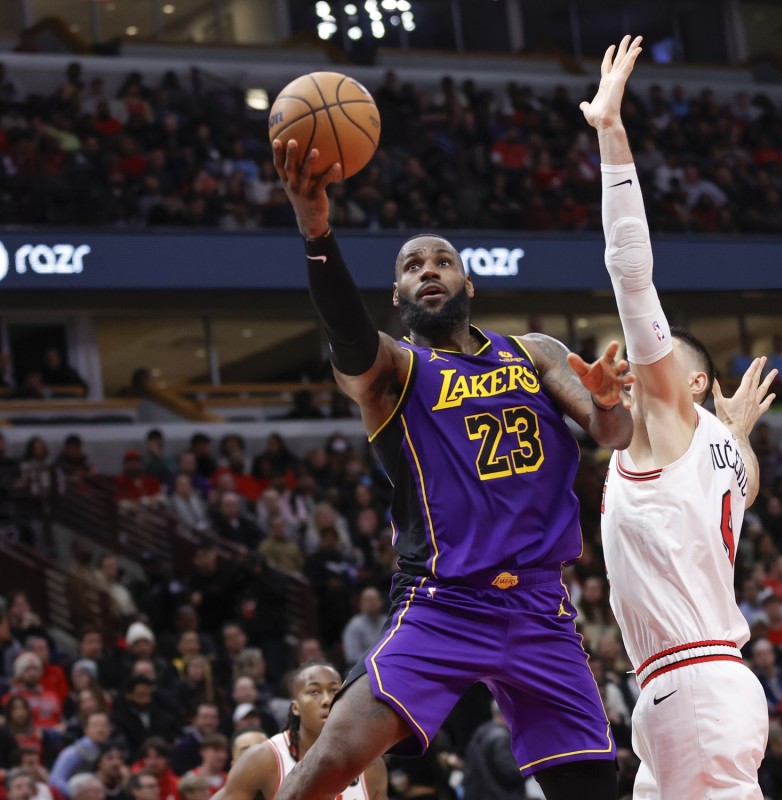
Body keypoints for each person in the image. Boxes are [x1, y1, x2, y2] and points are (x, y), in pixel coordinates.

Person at [267, 110, 635, 800]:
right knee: (333, 759)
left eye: (443, 262)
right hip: (444, 602)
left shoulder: (537, 352)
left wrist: (611, 402)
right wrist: (318, 234)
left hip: (540, 609)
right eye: (412, 266)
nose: (428, 270)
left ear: (470, 286)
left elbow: (612, 438)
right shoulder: (394, 371)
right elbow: (348, 336)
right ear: (399, 297)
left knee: (592, 788)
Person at [581, 35, 776, 798]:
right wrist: (735, 430)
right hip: (688, 688)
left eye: (656, 373)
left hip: (693, 685)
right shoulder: (721, 450)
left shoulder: (676, 419)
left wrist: (611, 133)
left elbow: (631, 271)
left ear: (689, 381)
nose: (634, 373)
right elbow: (745, 485)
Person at [213, 664, 385, 800]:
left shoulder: (371, 764)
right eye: (314, 692)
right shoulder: (264, 759)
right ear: (295, 707)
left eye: (334, 690)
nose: (326, 700)